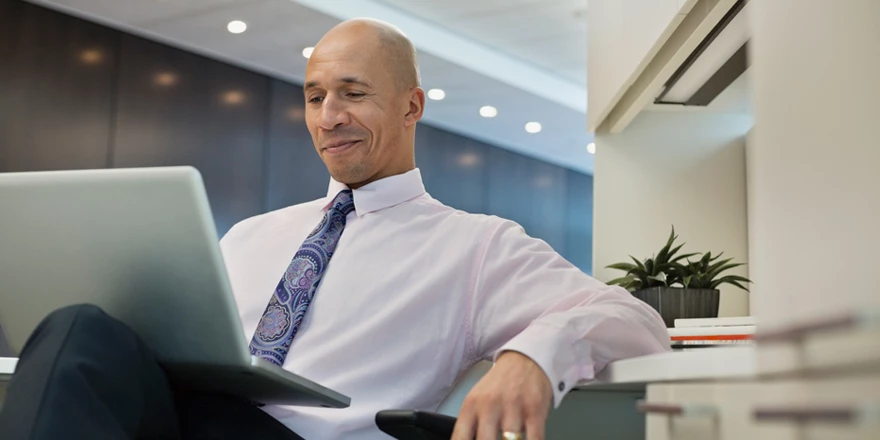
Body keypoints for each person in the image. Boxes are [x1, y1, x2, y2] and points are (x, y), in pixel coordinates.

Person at [0, 18, 668, 440]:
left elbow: (634, 317)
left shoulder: (477, 245)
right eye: (315, 96)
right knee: (79, 329)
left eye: (353, 93)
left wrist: (534, 355)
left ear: (411, 106)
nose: (328, 117)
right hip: (191, 417)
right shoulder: (250, 236)